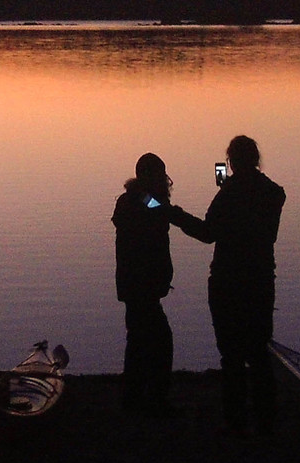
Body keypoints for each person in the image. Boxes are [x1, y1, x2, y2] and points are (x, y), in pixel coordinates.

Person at [171, 135, 286, 435]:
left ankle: (236, 421)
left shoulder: (229, 193)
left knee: (232, 356)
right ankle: (266, 419)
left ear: (232, 162)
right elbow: (263, 228)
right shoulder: (274, 193)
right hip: (260, 280)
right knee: (259, 353)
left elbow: (209, 233)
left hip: (227, 281)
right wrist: (230, 188)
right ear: (257, 159)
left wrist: (176, 215)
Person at [111, 152, 184, 417]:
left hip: (135, 287)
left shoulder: (133, 200)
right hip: (142, 288)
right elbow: (160, 211)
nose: (165, 180)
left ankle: (134, 399)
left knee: (139, 342)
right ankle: (152, 401)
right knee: (159, 343)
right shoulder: (144, 201)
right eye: (160, 175)